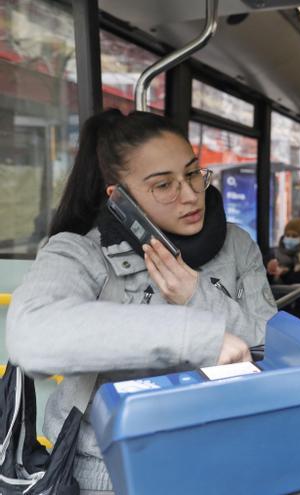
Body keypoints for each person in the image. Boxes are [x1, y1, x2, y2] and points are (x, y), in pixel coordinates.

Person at [5, 109, 277, 495]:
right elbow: (32, 335)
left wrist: (196, 296)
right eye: (163, 185)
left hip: (227, 460)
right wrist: (198, 335)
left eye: (193, 173)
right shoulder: (81, 253)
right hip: (111, 477)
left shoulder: (237, 246)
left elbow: (276, 344)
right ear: (121, 198)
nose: (190, 195)